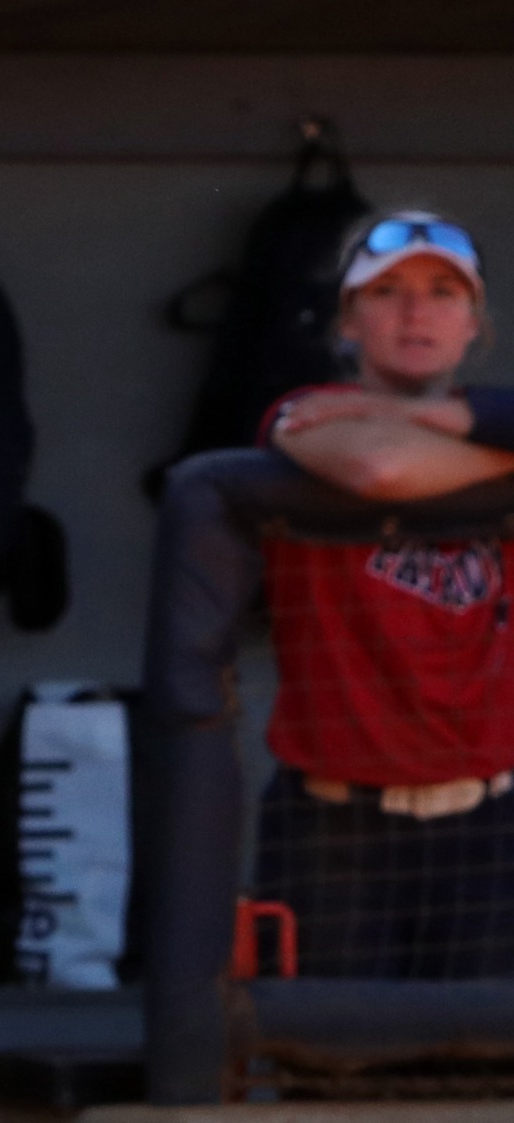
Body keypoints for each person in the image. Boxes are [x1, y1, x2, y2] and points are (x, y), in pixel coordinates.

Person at [258, 209, 514, 977]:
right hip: (337, 823)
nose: (415, 310)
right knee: (333, 1074)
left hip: (488, 817)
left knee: (490, 1075)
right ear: (348, 319)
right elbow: (383, 471)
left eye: (442, 291)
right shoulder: (301, 415)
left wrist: (412, 415)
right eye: (388, 291)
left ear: (475, 322)